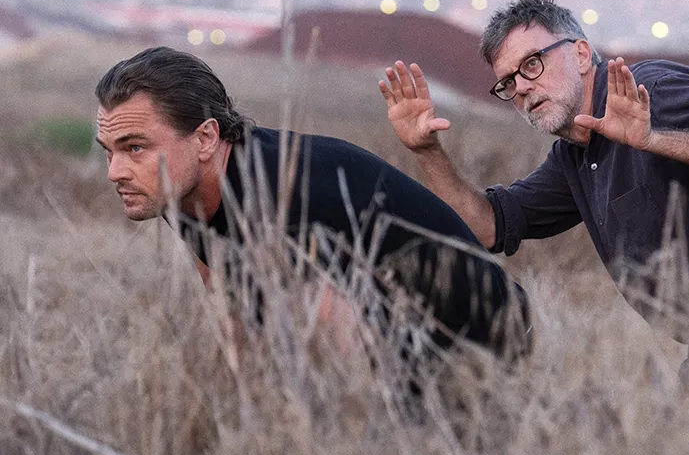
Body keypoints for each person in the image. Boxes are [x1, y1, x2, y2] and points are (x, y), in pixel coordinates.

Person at [379, 0, 689, 386]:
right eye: (507, 82)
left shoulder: (650, 89)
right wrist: (427, 151)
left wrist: (652, 139)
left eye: (532, 64)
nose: (521, 87)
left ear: (580, 54)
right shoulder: (572, 157)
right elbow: (487, 227)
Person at [94, 46, 530, 362]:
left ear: (206, 137)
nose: (115, 171)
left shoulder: (282, 190)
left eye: (135, 148)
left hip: (486, 347)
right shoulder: (183, 188)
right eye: (109, 151)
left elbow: (337, 357)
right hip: (393, 340)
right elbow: (230, 313)